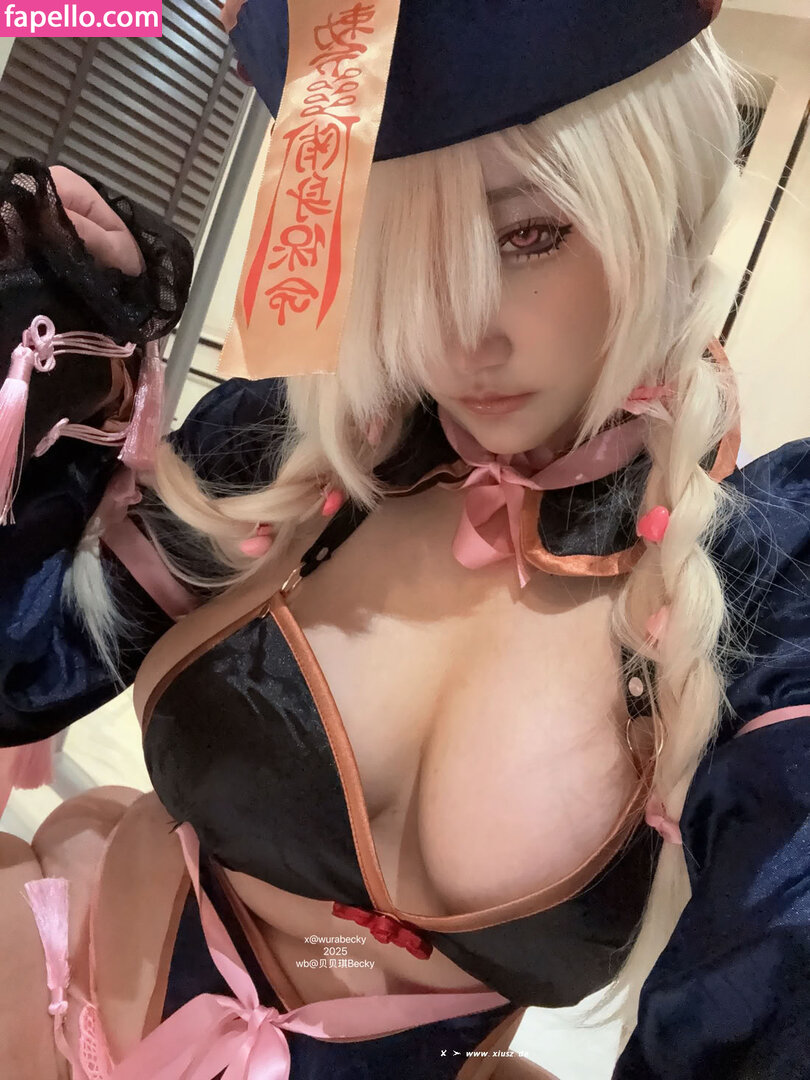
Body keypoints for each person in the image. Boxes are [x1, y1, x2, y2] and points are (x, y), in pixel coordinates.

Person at [1, 2, 809, 1078]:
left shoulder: (762, 588)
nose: (456, 333)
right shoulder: (299, 451)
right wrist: (67, 340)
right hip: (59, 991)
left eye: (528, 234)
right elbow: (21, 665)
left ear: (664, 198)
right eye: (401, 252)